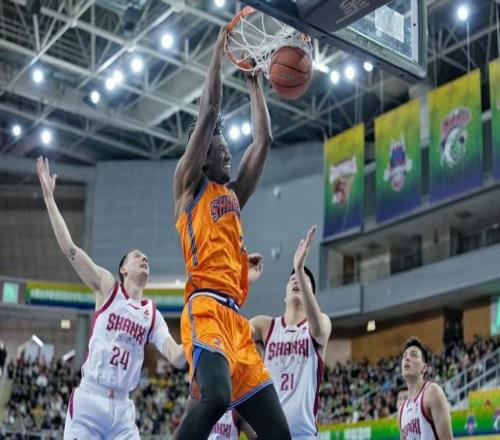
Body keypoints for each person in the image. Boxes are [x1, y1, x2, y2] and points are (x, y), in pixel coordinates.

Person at [173, 24, 289, 439]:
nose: (228, 154)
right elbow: (208, 112)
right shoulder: (189, 186)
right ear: (203, 156)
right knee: (216, 398)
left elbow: (264, 139)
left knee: (278, 435)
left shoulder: (233, 195)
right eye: (221, 150)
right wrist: (218, 54)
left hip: (235, 321)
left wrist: (254, 81)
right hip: (204, 308)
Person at [36, 157, 185, 439]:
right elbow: (69, 248)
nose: (144, 259)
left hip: (123, 411)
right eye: (137, 256)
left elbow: (176, 357)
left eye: (146, 258)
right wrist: (49, 199)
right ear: (123, 269)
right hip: (90, 401)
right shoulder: (108, 288)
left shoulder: (152, 315)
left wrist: (201, 337)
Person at [250, 226, 332, 439]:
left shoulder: (321, 323)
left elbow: (319, 330)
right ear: (284, 296)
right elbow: (230, 331)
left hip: (302, 435)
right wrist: (243, 280)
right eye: (293, 279)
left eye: (304, 281)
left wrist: (299, 268)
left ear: (311, 296)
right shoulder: (265, 326)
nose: (297, 279)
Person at [399, 337, 453, 440]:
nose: (407, 358)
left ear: (424, 368)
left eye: (413, 355)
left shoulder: (432, 392)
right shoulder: (402, 410)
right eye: (404, 356)